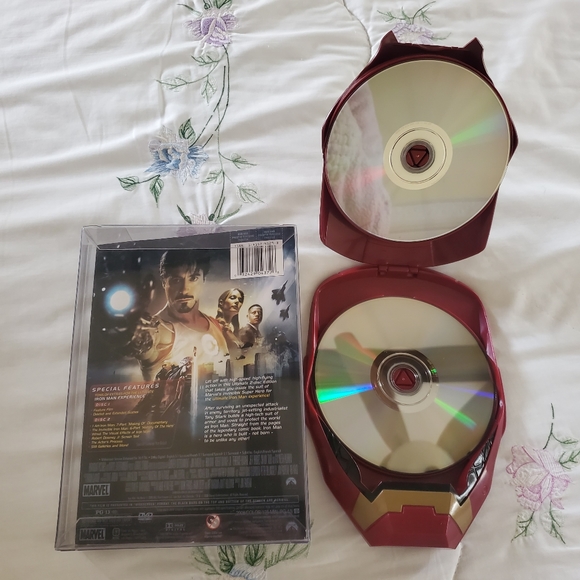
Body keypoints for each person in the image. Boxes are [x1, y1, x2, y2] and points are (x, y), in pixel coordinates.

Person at [131, 249, 229, 381]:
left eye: (193, 278)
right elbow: (147, 347)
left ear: (203, 280)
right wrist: (140, 341)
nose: (184, 289)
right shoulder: (158, 329)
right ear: (164, 282)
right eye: (176, 280)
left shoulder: (214, 323)